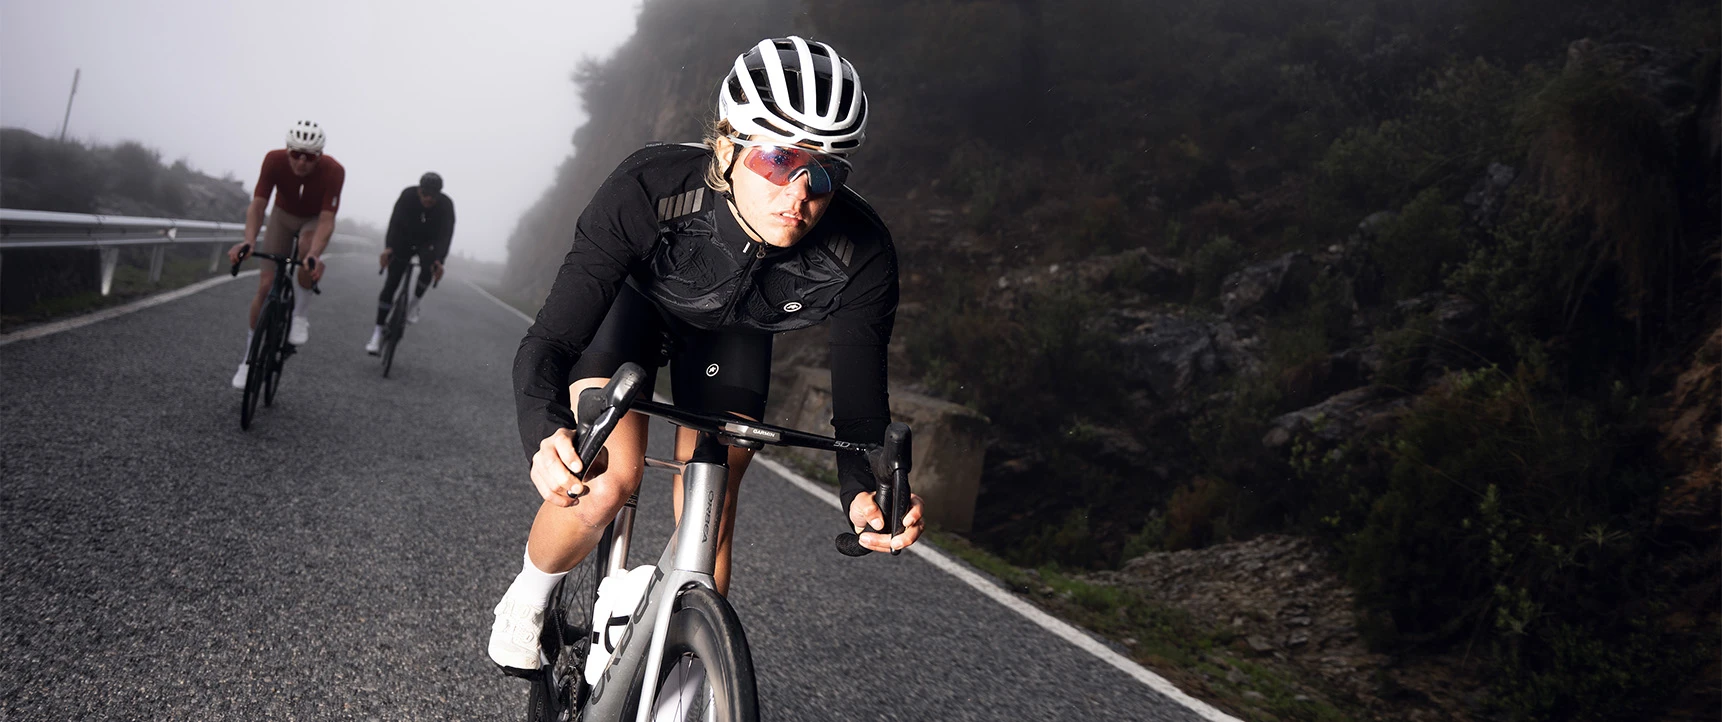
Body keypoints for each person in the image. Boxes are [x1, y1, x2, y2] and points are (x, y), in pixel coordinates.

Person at [489, 36, 926, 673]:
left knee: (710, 506)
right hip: (633, 311)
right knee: (610, 477)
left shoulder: (863, 253)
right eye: (778, 161)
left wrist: (863, 491)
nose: (799, 193)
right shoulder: (649, 186)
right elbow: (548, 344)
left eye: (824, 172)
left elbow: (860, 420)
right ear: (727, 148)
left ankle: (682, 673)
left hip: (733, 339)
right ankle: (528, 597)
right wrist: (543, 429)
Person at [226, 120, 344, 388]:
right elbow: (258, 206)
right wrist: (249, 241)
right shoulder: (274, 160)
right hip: (282, 216)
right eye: (296, 154)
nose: (301, 162)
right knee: (266, 286)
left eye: (310, 156)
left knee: (306, 251)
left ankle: (299, 316)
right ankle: (247, 359)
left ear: (320, 156)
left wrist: (314, 254)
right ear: (287, 149)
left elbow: (327, 219)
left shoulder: (334, 171)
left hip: (313, 220)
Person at [366, 172, 455, 353]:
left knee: (430, 265)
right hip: (404, 240)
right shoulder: (407, 195)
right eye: (425, 194)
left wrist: (440, 259)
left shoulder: (446, 205)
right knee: (391, 283)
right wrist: (389, 247)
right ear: (419, 191)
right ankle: (376, 334)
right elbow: (394, 223)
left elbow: (446, 235)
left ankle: (413, 304)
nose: (429, 199)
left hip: (428, 243)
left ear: (439, 194)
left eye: (433, 196)